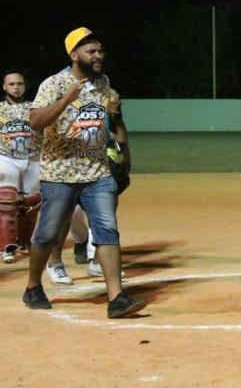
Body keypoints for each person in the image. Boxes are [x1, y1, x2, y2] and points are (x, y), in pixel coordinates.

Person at [22, 27, 143, 319]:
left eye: (100, 50)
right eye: (92, 51)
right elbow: (36, 120)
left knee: (106, 230)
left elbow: (111, 117)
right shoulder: (54, 83)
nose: (99, 55)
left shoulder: (103, 83)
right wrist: (66, 100)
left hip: (97, 172)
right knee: (48, 234)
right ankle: (33, 286)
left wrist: (121, 146)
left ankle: (117, 298)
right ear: (74, 55)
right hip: (60, 173)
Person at [0, 71, 41, 264]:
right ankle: (7, 246)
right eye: (11, 84)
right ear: (4, 87)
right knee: (7, 199)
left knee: (31, 203)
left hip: (33, 158)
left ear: (25, 86)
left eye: (20, 83)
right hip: (6, 158)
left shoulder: (36, 107)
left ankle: (24, 242)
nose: (16, 87)